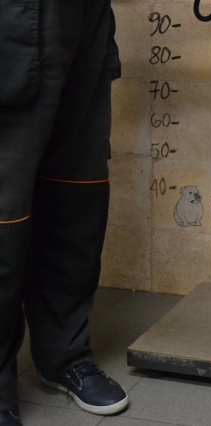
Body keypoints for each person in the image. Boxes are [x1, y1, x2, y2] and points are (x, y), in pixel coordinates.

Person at [0, 1, 129, 424]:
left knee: (77, 194)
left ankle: (65, 355)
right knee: (5, 212)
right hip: (13, 20)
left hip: (85, 19)